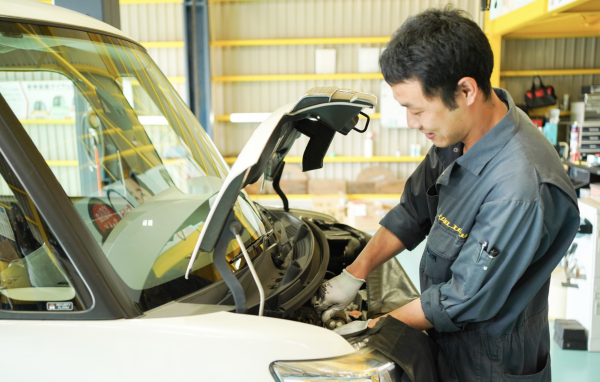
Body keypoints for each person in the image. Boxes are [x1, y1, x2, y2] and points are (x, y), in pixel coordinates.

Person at [315, 6, 579, 381]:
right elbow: (412, 211)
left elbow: (461, 298)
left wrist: (369, 327)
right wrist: (352, 276)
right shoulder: (459, 134)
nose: (411, 122)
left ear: (466, 90)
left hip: (490, 363)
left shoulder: (521, 188)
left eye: (416, 109)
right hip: (449, 343)